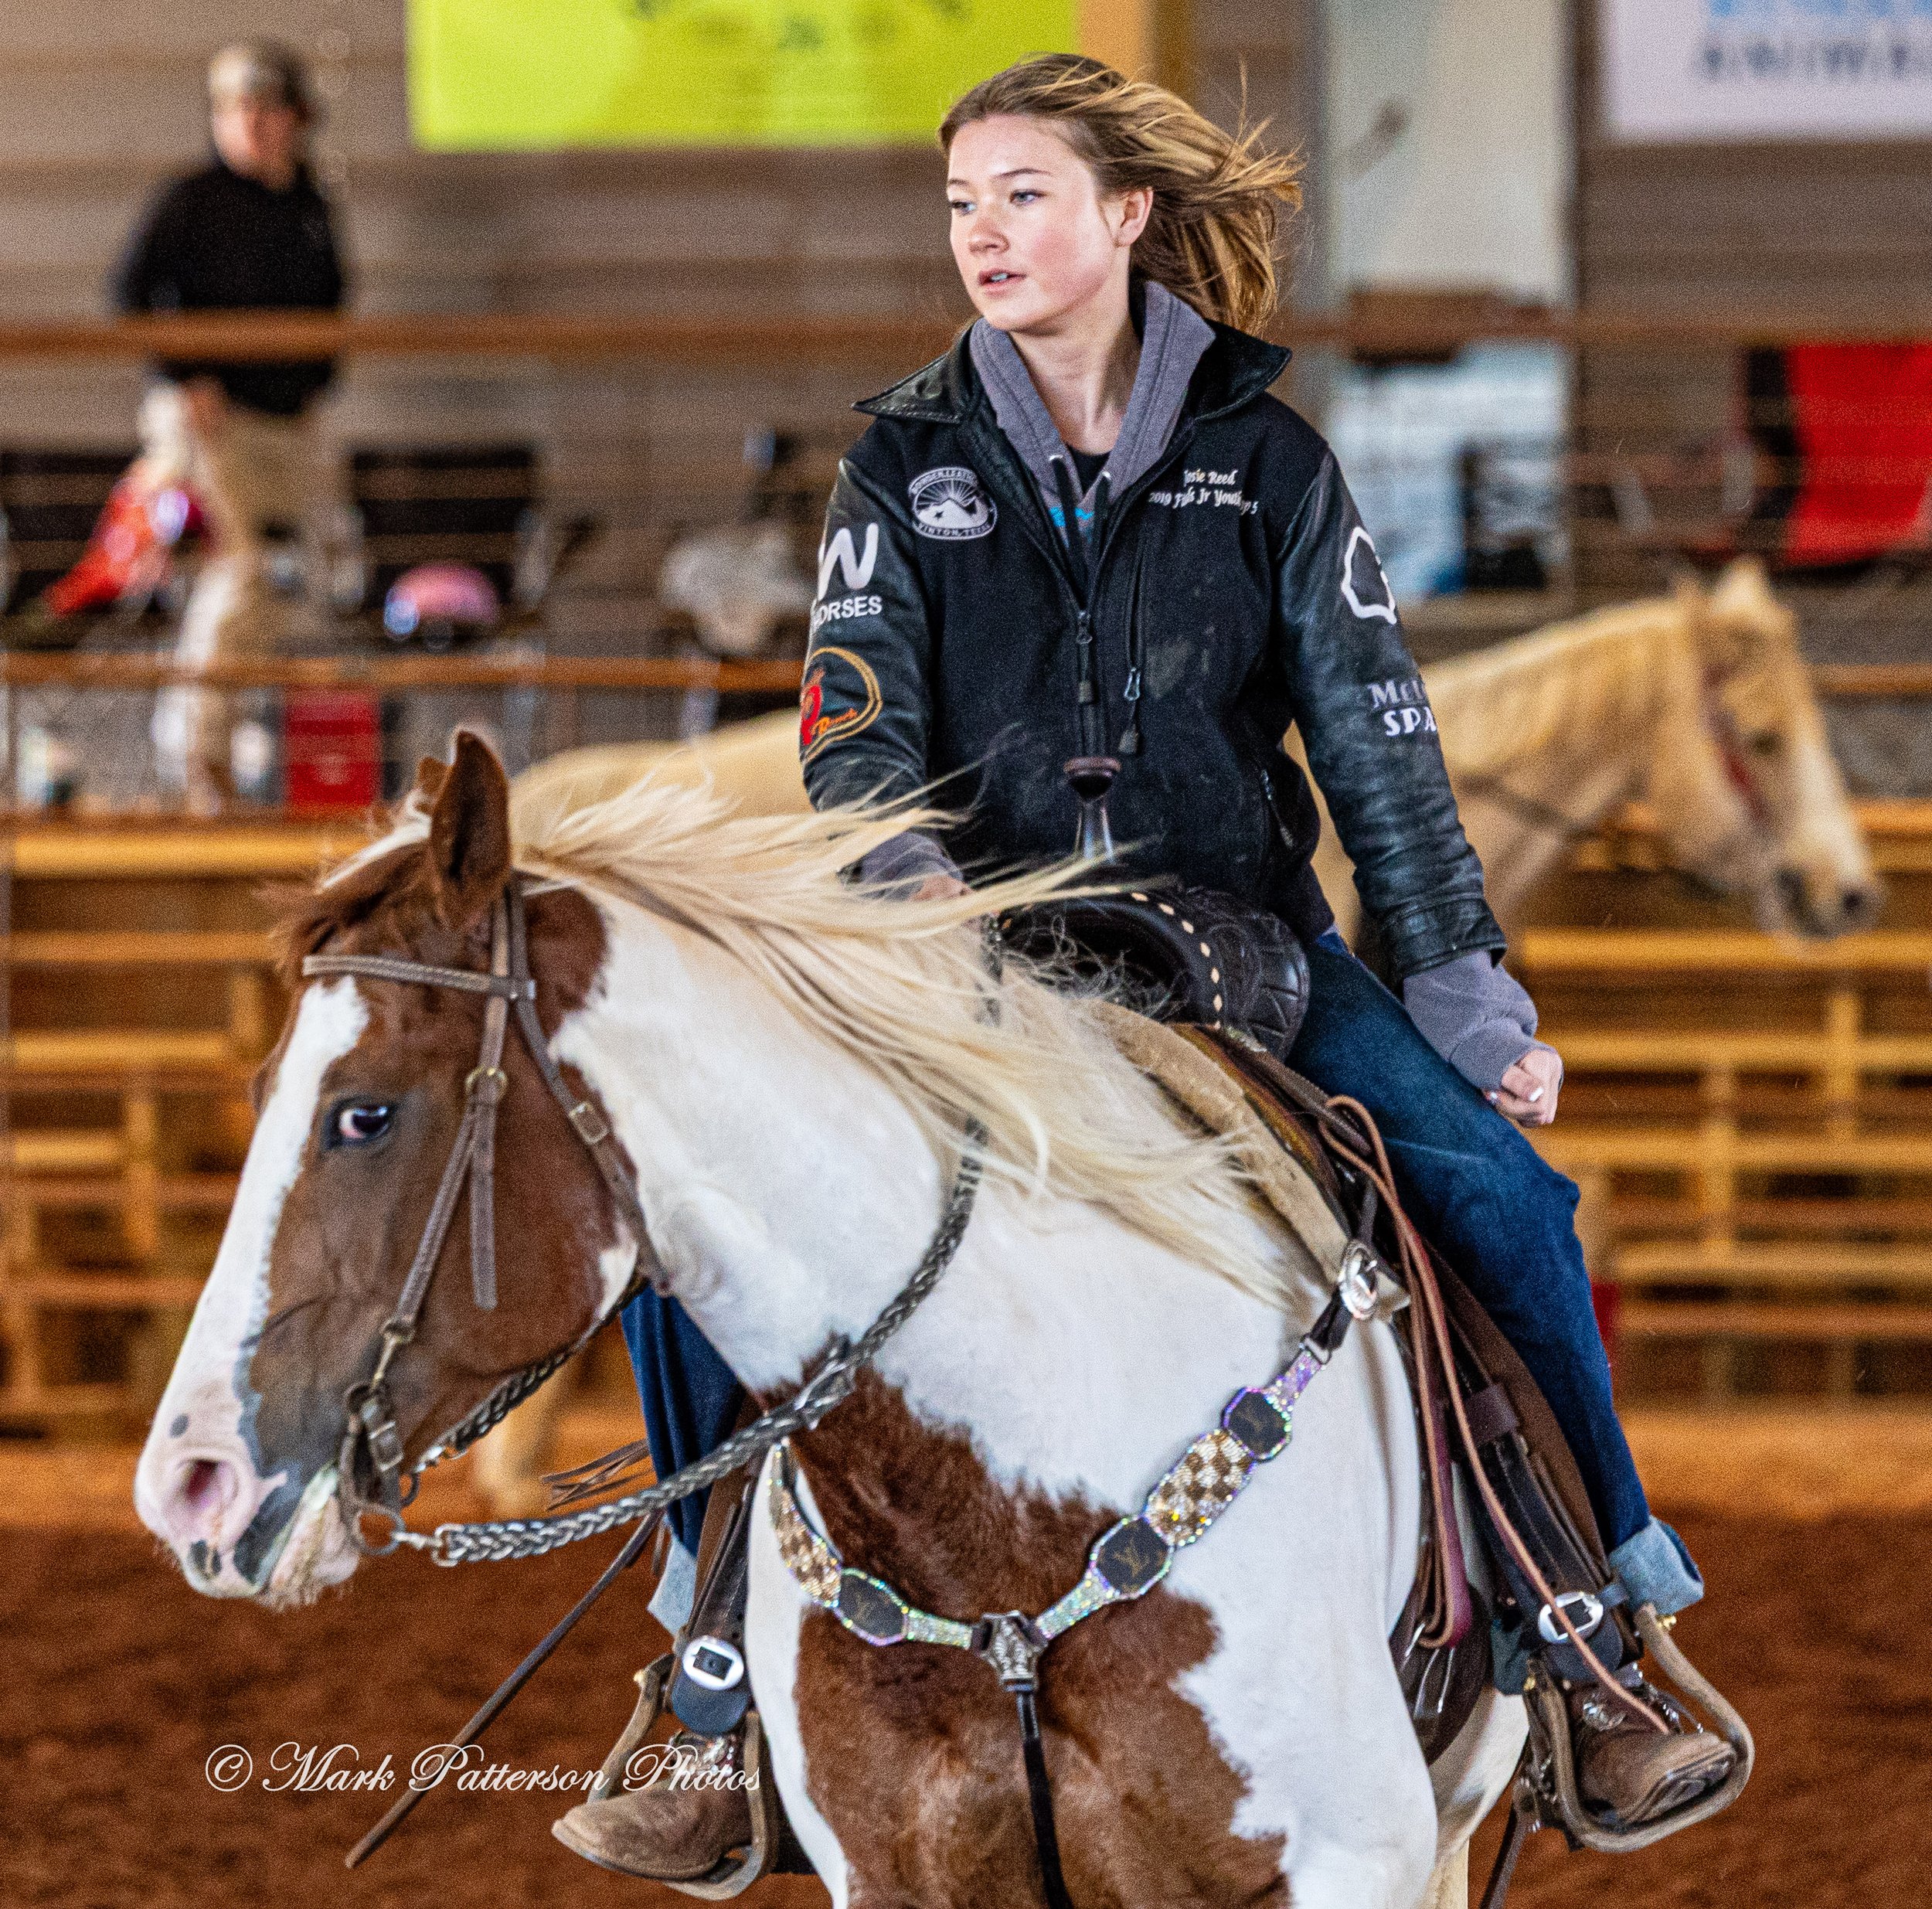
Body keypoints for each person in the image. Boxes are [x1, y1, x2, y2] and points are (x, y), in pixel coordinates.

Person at [560, 53, 1733, 1880]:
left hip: (1244, 951)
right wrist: (928, 935)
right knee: (697, 1236)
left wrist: (1463, 998)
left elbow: (1381, 755)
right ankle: (707, 1672)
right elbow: (854, 734)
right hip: (974, 957)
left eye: (1023, 195)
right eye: (962, 204)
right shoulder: (905, 461)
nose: (984, 235)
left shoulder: (1271, 463)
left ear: (1126, 218)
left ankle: (1601, 1626)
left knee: (1500, 1192)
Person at [112, 39, 345, 812]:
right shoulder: (190, 200)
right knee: (237, 577)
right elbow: (130, 293)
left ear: (296, 118)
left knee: (282, 586)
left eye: (266, 108)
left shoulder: (310, 207)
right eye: (235, 109)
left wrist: (311, 384)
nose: (252, 124)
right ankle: (198, 757)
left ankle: (240, 750)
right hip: (211, 430)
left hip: (289, 428)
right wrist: (185, 376)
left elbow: (332, 309)